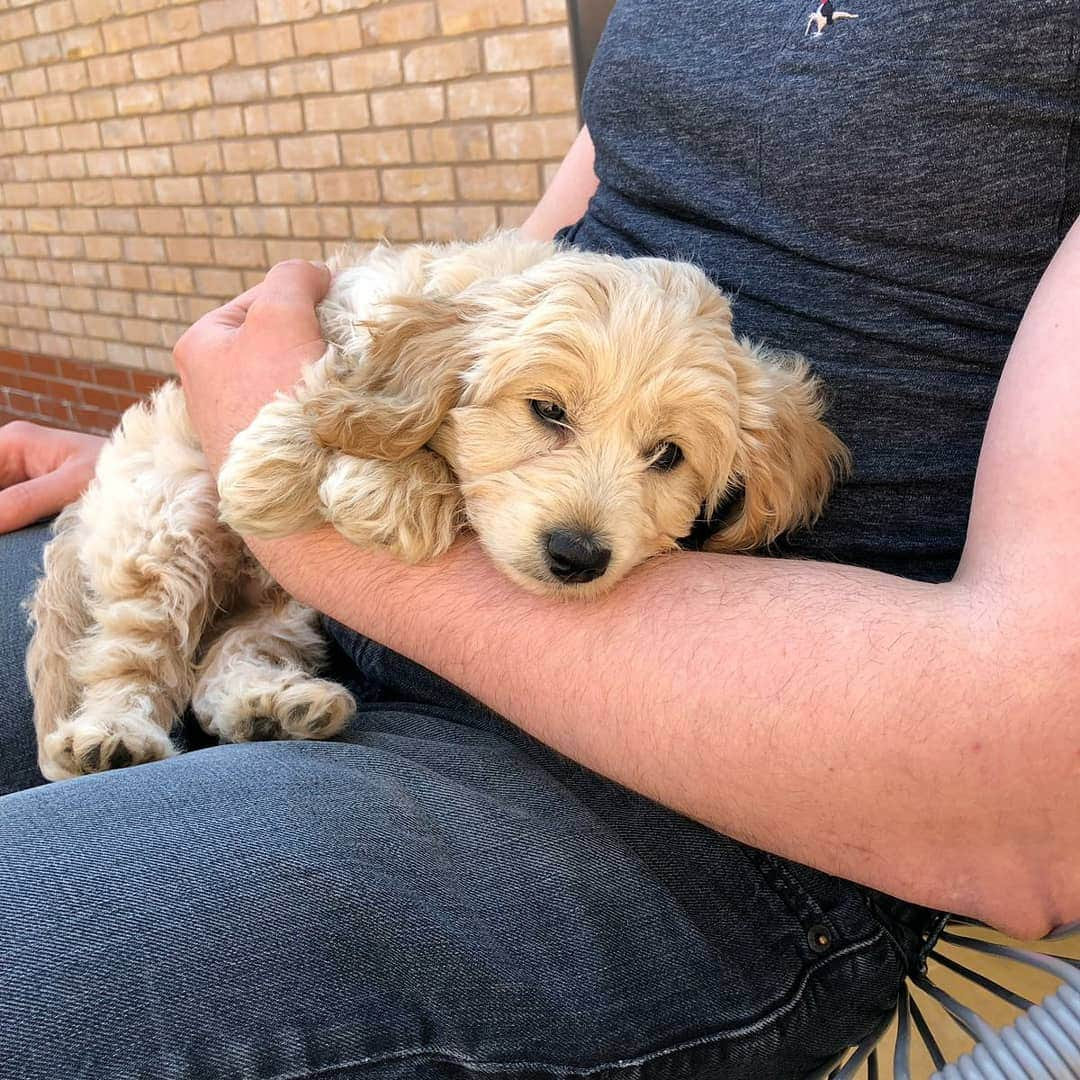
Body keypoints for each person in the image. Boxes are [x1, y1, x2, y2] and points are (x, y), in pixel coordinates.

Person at [2, 2, 1078, 1076]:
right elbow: (518, 284)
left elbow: (1029, 805)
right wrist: (194, 459)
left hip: (713, 812)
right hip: (362, 570)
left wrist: (294, 508)